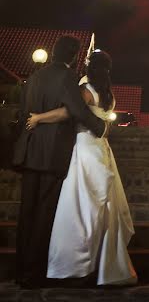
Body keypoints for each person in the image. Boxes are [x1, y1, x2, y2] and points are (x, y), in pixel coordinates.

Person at [26, 49, 137, 286]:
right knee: (103, 208)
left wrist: (38, 118)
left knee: (80, 207)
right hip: (102, 149)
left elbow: (68, 112)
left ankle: (77, 266)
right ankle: (104, 265)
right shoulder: (108, 93)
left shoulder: (86, 90)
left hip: (85, 149)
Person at [13, 36, 107, 289]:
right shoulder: (67, 78)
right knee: (45, 213)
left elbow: (23, 114)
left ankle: (21, 268)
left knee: (27, 212)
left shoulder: (33, 77)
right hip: (52, 152)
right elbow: (76, 109)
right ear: (75, 56)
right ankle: (34, 273)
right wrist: (100, 126)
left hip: (30, 149)